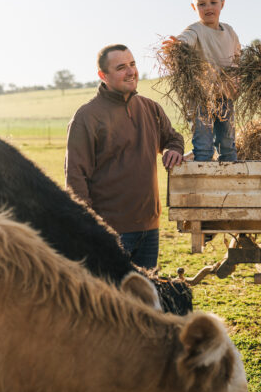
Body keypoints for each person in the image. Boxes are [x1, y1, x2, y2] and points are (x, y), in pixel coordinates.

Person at [65, 44, 184, 270]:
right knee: (111, 301)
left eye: (132, 64)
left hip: (150, 229)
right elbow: (75, 178)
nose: (131, 72)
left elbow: (172, 138)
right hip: (110, 232)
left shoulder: (150, 108)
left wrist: (172, 149)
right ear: (103, 75)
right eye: (121, 67)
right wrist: (91, 228)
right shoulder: (86, 117)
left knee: (144, 300)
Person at [167, 0, 241, 161]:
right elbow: (185, 39)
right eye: (202, 4)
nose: (208, 7)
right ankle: (203, 183)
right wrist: (177, 45)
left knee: (227, 143)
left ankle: (230, 182)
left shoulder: (230, 32)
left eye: (213, 2)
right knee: (203, 144)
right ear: (194, 7)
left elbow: (239, 59)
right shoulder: (195, 30)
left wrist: (238, 78)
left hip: (226, 96)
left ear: (222, 4)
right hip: (201, 98)